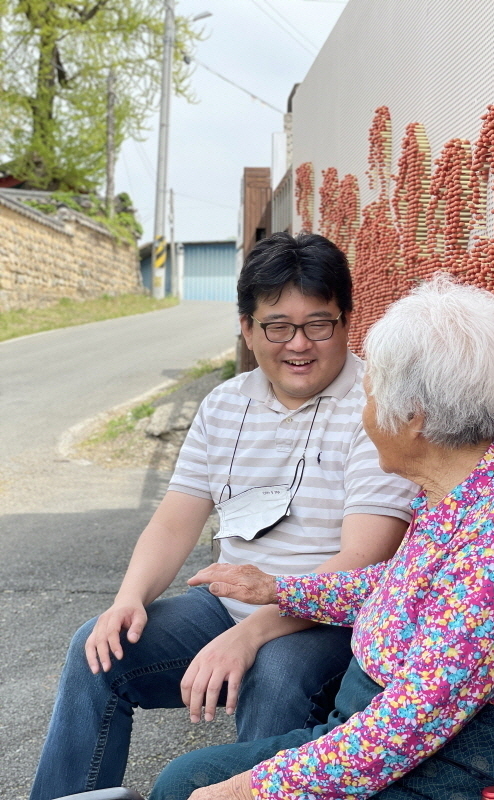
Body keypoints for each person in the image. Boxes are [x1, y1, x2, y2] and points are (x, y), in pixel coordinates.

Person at [150, 274, 494, 800]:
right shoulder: (464, 490)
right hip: (410, 726)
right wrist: (279, 589)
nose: (364, 417)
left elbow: (413, 721)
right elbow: (412, 586)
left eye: (368, 398)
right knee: (185, 781)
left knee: (196, 788)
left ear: (413, 418)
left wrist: (250, 791)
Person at [30, 232, 417, 800]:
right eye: (277, 326)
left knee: (276, 672)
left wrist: (253, 633)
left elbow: (362, 561)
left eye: (319, 323)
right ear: (246, 328)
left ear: (347, 321)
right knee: (99, 648)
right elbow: (174, 521)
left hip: (332, 621)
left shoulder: (375, 407)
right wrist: (128, 598)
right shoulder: (225, 404)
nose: (299, 344)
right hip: (227, 604)